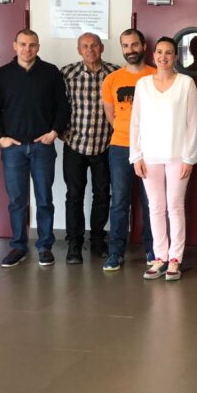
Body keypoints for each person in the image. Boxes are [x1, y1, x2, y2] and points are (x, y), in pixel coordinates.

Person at [0, 28, 69, 269]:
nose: (27, 49)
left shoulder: (51, 72)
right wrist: (0, 137)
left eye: (32, 45)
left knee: (44, 199)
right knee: (17, 200)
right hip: (12, 148)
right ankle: (18, 246)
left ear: (38, 47)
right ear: (14, 45)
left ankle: (45, 246)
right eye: (23, 44)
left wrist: (54, 132)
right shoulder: (2, 74)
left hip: (42, 146)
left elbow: (62, 106)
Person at [130, 37, 197, 281]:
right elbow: (135, 122)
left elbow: (192, 122)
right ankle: (159, 257)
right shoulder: (143, 84)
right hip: (149, 156)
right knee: (155, 207)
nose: (163, 57)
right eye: (159, 52)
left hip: (178, 155)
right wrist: (136, 155)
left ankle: (175, 259)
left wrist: (190, 157)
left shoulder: (186, 83)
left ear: (175, 57)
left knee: (175, 206)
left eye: (168, 52)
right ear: (153, 55)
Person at [100, 28, 155, 272]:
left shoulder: (155, 76)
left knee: (151, 201)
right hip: (120, 147)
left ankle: (153, 250)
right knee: (120, 201)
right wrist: (128, 133)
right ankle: (115, 253)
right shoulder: (112, 80)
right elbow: (110, 115)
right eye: (125, 45)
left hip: (152, 149)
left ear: (143, 46)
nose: (130, 50)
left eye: (134, 44)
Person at [60, 32, 118, 264]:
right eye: (85, 46)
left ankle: (97, 240)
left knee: (102, 195)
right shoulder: (67, 73)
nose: (90, 50)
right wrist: (62, 132)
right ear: (79, 50)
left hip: (105, 145)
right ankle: (74, 244)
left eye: (94, 45)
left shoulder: (114, 73)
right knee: (74, 196)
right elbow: (58, 105)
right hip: (75, 145)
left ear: (101, 48)